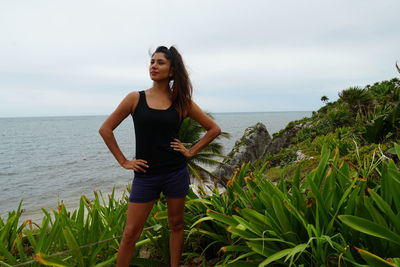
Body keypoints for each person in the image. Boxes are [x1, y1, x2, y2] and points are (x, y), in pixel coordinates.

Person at [99, 46, 221, 267]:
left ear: (172, 70)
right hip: (146, 175)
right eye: (152, 61)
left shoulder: (182, 102)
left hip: (175, 172)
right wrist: (124, 161)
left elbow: (213, 129)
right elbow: (106, 129)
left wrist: (190, 151)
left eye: (160, 62)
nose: (154, 66)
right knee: (130, 233)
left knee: (176, 224)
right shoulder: (135, 98)